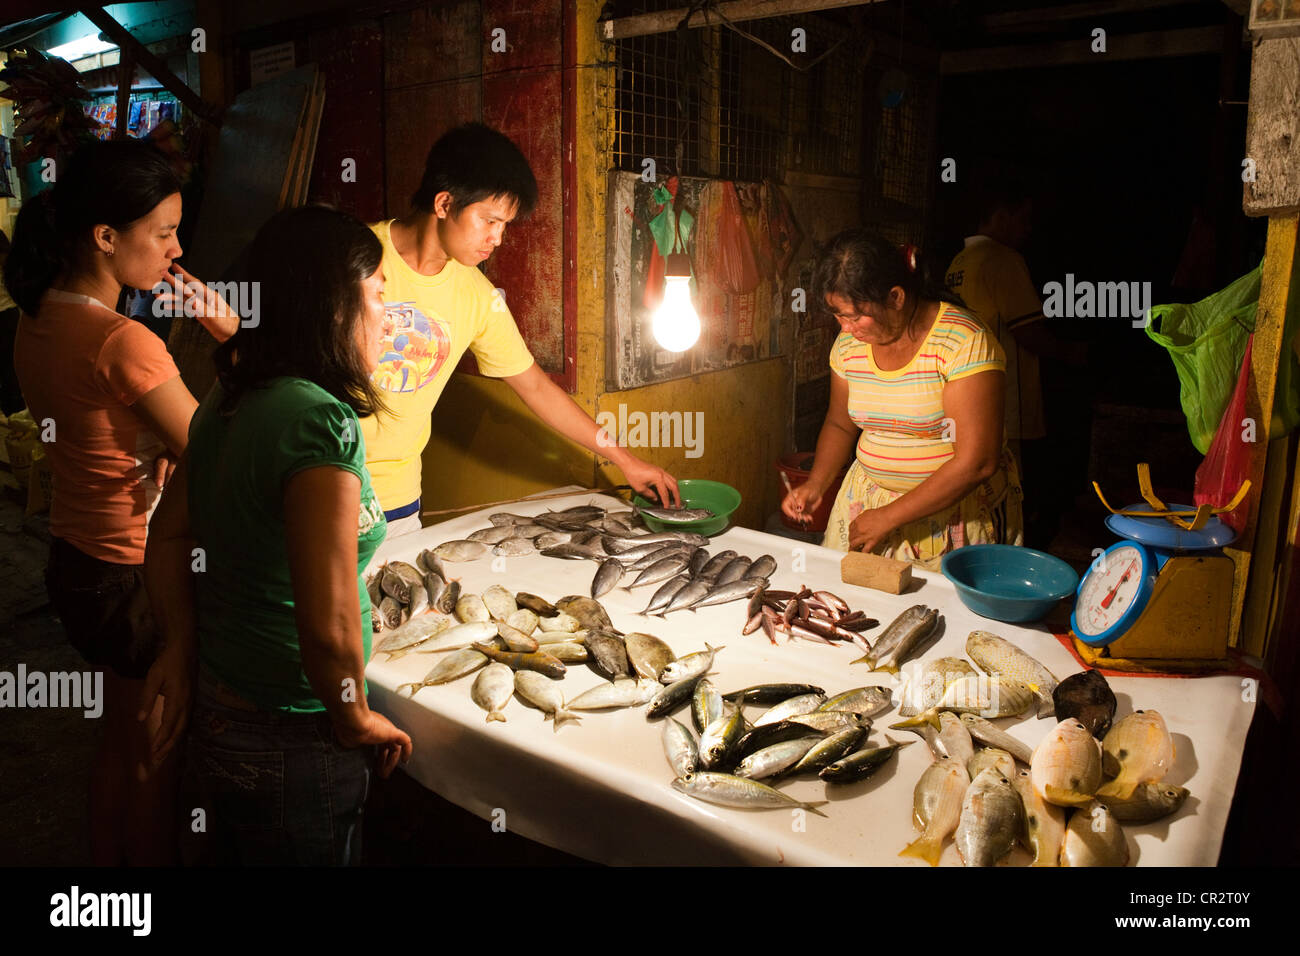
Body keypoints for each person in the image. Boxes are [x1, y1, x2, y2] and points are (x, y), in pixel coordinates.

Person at [144, 205, 411, 866]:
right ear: (330, 306)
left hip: (222, 708)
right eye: (379, 295)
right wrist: (354, 717)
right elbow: (327, 626)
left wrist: (180, 648)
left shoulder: (230, 398)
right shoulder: (320, 423)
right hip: (294, 734)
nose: (388, 315)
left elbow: (169, 536)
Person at [6, 139, 236, 865]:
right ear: (106, 238)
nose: (175, 251)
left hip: (76, 560)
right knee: (155, 756)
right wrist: (232, 339)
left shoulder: (37, 316)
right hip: (134, 569)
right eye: (163, 234)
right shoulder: (121, 340)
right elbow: (220, 452)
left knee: (120, 733)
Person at [367, 122, 678, 535]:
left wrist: (625, 460)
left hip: (397, 503)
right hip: (317, 485)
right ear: (444, 203)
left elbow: (535, 387)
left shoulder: (479, 295)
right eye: (489, 221)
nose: (497, 238)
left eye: (505, 226)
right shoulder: (355, 259)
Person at [781, 230, 1023, 569]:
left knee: (937, 614)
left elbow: (977, 462)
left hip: (951, 514)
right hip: (867, 503)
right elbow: (840, 422)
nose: (846, 328)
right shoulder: (849, 347)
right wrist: (816, 485)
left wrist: (888, 517)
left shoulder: (962, 342)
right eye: (838, 315)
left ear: (895, 297)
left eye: (854, 315)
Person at [944, 175, 1085, 547]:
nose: (1028, 229)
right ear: (1002, 215)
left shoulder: (958, 262)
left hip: (961, 398)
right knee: (1012, 491)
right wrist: (1073, 354)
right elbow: (1028, 332)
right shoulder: (1003, 259)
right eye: (1023, 218)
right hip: (1005, 402)